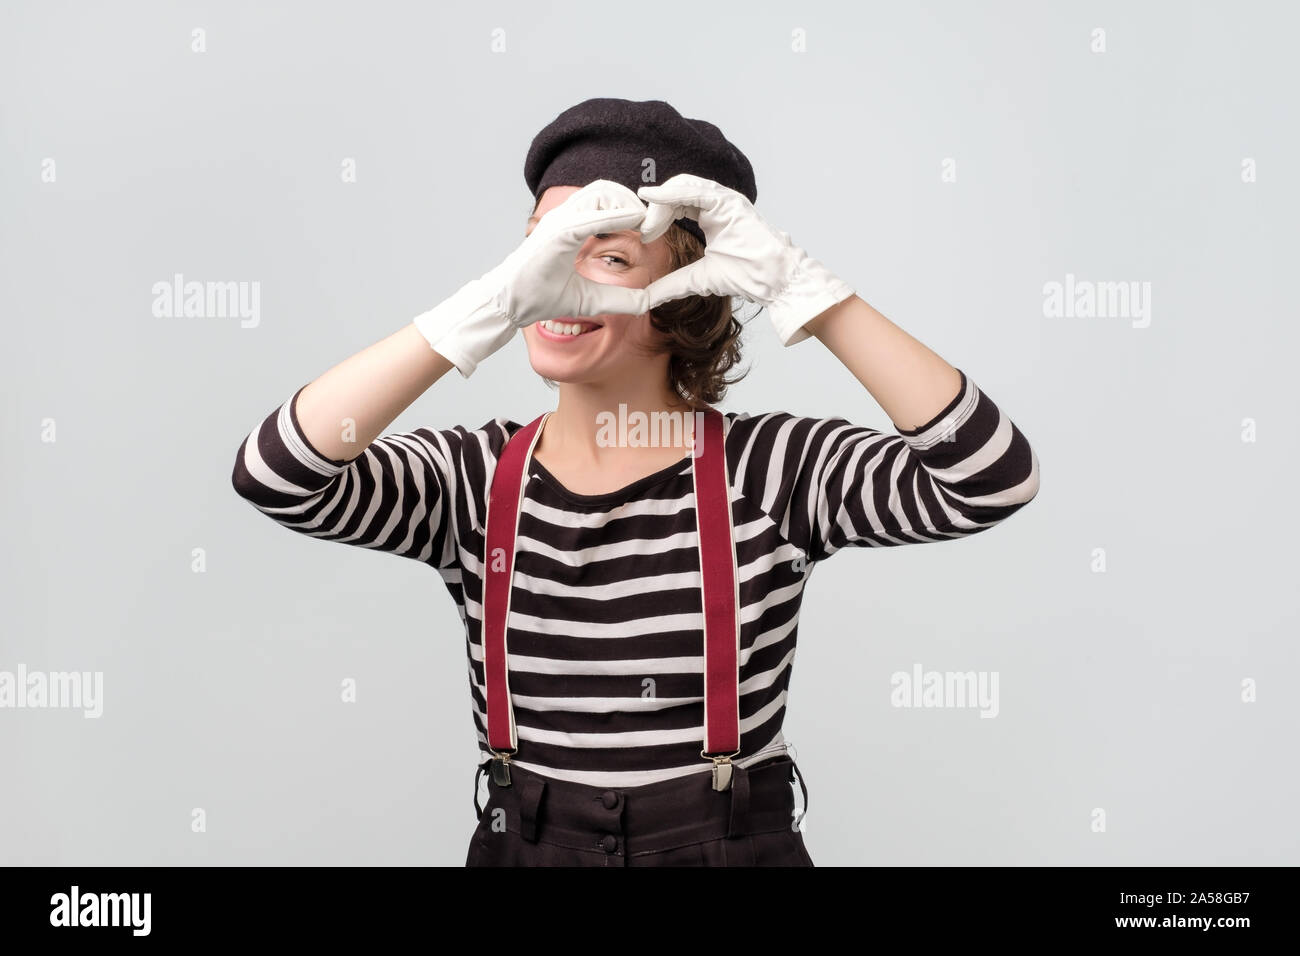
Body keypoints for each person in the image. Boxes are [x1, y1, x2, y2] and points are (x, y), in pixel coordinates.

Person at [230, 97, 1041, 866]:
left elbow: (991, 479)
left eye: (608, 255)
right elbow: (277, 472)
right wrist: (477, 309)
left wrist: (809, 291)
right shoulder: (475, 481)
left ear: (687, 295)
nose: (555, 282)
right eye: (542, 250)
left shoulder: (770, 472)